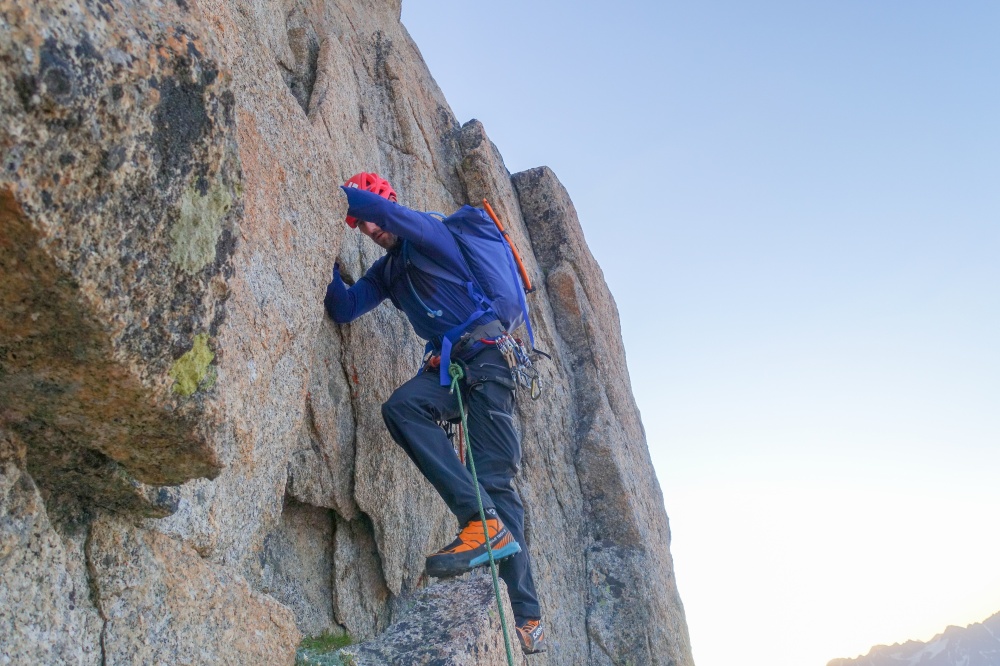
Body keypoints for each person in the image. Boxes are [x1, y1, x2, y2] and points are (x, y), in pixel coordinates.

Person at [324, 172, 546, 655]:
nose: (369, 229)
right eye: (360, 225)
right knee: (402, 408)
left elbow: (385, 214)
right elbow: (345, 308)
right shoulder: (387, 273)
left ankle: (526, 613)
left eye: (371, 217)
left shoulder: (430, 230)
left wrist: (324, 188)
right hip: (454, 368)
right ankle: (481, 520)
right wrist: (321, 259)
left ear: (390, 203)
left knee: (495, 478)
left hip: (488, 359)